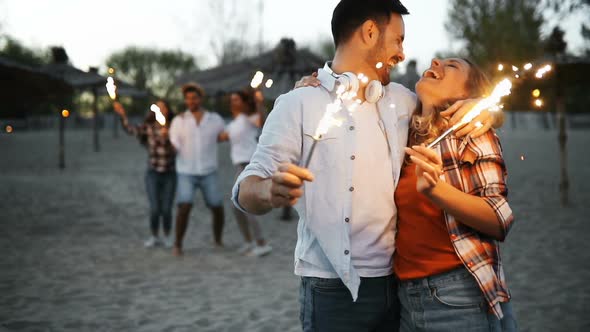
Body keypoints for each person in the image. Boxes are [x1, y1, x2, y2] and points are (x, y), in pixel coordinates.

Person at [232, 1, 500, 330]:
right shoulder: (297, 104)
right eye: (398, 40)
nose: (402, 54)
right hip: (331, 290)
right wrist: (269, 190)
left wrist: (484, 108)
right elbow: (246, 189)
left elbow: (453, 106)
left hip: (399, 286)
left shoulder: (403, 100)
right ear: (370, 32)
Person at [394, 58, 517, 331]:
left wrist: (438, 191)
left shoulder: (470, 134)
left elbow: (500, 218)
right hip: (404, 297)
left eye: (452, 66)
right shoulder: (401, 134)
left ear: (465, 94)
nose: (436, 61)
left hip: (458, 295)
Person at [169, 83, 226, 256]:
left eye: (194, 98)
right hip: (186, 171)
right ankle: (178, 244)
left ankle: (217, 239)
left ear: (201, 99)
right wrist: (168, 144)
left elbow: (224, 135)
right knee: (184, 206)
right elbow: (174, 145)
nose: (191, 101)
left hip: (209, 170)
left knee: (217, 206)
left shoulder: (214, 119)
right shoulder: (179, 120)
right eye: (187, 98)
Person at [113, 100, 176, 248]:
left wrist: (169, 137)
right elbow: (130, 129)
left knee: (166, 208)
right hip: (153, 173)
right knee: (155, 208)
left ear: (168, 110)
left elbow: (179, 149)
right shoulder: (148, 128)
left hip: (170, 173)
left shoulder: (175, 127)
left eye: (163, 107)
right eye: (157, 108)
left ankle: (167, 236)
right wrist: (122, 115)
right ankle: (154, 236)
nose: (161, 110)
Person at [219, 91, 272, 257]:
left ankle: (262, 243)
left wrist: (258, 102)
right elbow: (222, 137)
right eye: (232, 99)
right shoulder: (233, 123)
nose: (233, 102)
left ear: (244, 102)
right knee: (236, 206)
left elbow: (262, 121)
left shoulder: (249, 119)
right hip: (239, 166)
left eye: (236, 99)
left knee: (245, 204)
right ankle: (249, 242)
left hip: (249, 165)